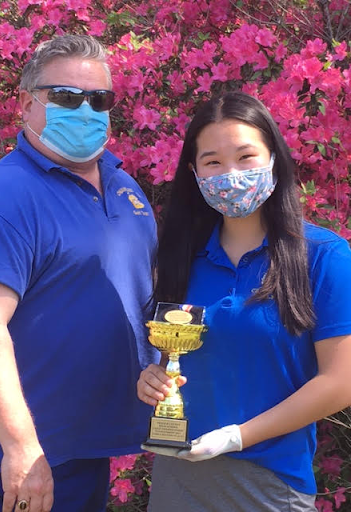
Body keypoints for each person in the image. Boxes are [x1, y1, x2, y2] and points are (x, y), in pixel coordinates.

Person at [0, 35, 159, 512]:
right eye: (67, 98)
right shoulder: (5, 198)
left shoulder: (124, 186)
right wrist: (19, 447)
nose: (87, 111)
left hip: (84, 447)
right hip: (17, 461)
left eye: (99, 99)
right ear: (26, 104)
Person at [137, 91, 351, 511]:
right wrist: (153, 378)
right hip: (177, 477)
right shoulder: (180, 259)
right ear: (195, 173)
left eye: (245, 157)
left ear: (273, 159)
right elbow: (176, 360)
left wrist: (237, 436)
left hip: (268, 484)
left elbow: (340, 382)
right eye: (213, 161)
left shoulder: (324, 256)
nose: (229, 174)